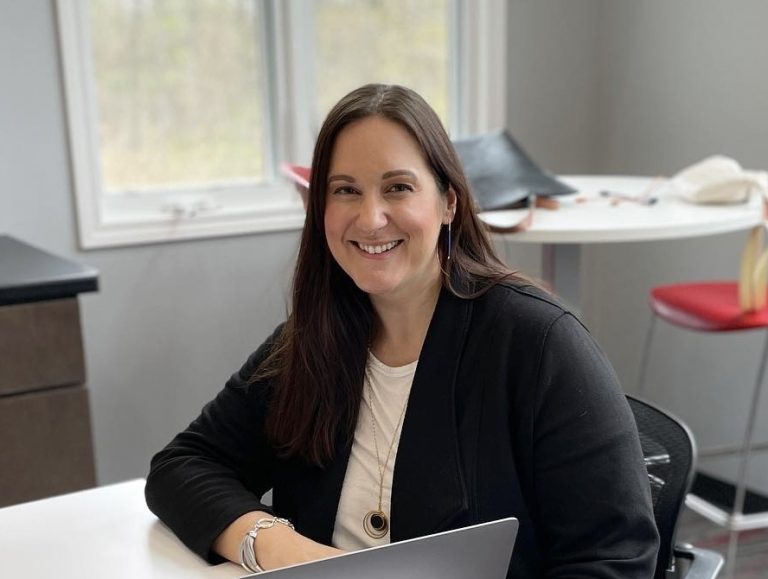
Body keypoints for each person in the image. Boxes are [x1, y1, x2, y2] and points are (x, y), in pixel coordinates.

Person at [145, 83, 659, 577]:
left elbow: (615, 558)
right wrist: (286, 551)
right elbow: (182, 467)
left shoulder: (539, 343)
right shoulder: (312, 340)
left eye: (398, 188)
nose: (371, 219)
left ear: (449, 202)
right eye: (345, 190)